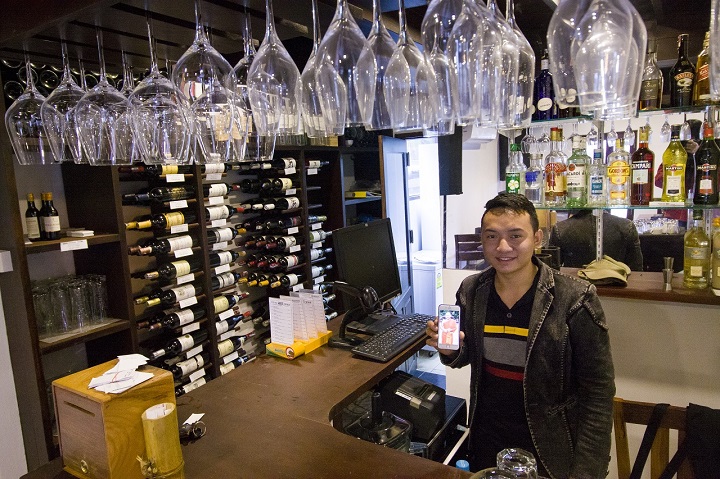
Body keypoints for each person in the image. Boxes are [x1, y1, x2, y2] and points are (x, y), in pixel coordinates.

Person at [426, 193, 615, 478]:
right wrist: (451, 351)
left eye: (516, 236)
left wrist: (588, 471)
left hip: (551, 448)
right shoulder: (472, 290)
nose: (503, 247)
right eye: (492, 237)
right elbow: (467, 357)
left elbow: (598, 392)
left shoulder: (574, 299)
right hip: (487, 442)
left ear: (537, 237)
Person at [549, 210, 644, 271]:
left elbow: (551, 271)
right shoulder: (626, 226)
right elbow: (637, 271)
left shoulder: (561, 228)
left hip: (575, 290)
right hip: (618, 291)